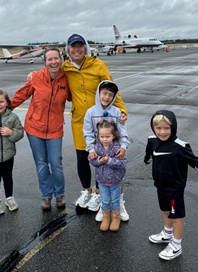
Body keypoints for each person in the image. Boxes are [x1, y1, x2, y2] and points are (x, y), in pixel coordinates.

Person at [61, 33, 129, 221]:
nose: (76, 50)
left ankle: (100, 193)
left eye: (80, 46)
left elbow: (113, 89)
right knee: (82, 156)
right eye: (73, 47)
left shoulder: (98, 65)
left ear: (85, 48)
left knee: (103, 156)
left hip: (101, 119)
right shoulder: (65, 67)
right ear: (68, 50)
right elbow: (50, 76)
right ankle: (86, 191)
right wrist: (33, 75)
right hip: (80, 119)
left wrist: (121, 109)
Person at [144, 110, 198, 261]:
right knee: (165, 211)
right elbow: (149, 152)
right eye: (158, 128)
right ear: (153, 128)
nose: (163, 132)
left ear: (173, 127)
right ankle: (167, 234)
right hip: (160, 186)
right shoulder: (152, 140)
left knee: (176, 216)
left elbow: (197, 163)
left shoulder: (180, 146)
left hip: (175, 190)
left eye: (167, 128)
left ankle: (176, 245)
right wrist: (147, 159)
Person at [11, 48, 71, 211]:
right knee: (42, 164)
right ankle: (46, 195)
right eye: (50, 59)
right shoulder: (36, 77)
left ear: (61, 60)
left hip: (55, 129)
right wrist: (2, 111)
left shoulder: (66, 80)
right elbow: (21, 95)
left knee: (55, 162)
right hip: (34, 128)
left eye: (56, 59)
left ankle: (60, 194)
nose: (53, 62)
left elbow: (77, 96)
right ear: (45, 62)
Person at [83, 80, 130, 221]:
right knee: (102, 179)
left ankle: (118, 204)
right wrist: (91, 149)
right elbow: (88, 133)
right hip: (99, 150)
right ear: (98, 93)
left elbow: (122, 132)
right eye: (104, 93)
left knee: (117, 176)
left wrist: (123, 147)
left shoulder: (116, 112)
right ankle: (104, 208)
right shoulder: (90, 112)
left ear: (114, 97)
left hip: (114, 151)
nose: (106, 97)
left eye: (110, 94)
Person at [88, 120, 127, 232]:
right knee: (104, 200)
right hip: (101, 180)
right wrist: (98, 159)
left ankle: (115, 218)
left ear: (113, 136)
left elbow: (122, 163)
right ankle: (106, 218)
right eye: (102, 136)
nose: (104, 139)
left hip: (115, 180)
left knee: (115, 200)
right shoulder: (97, 148)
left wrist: (109, 160)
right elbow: (92, 160)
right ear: (98, 136)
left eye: (107, 136)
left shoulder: (117, 148)